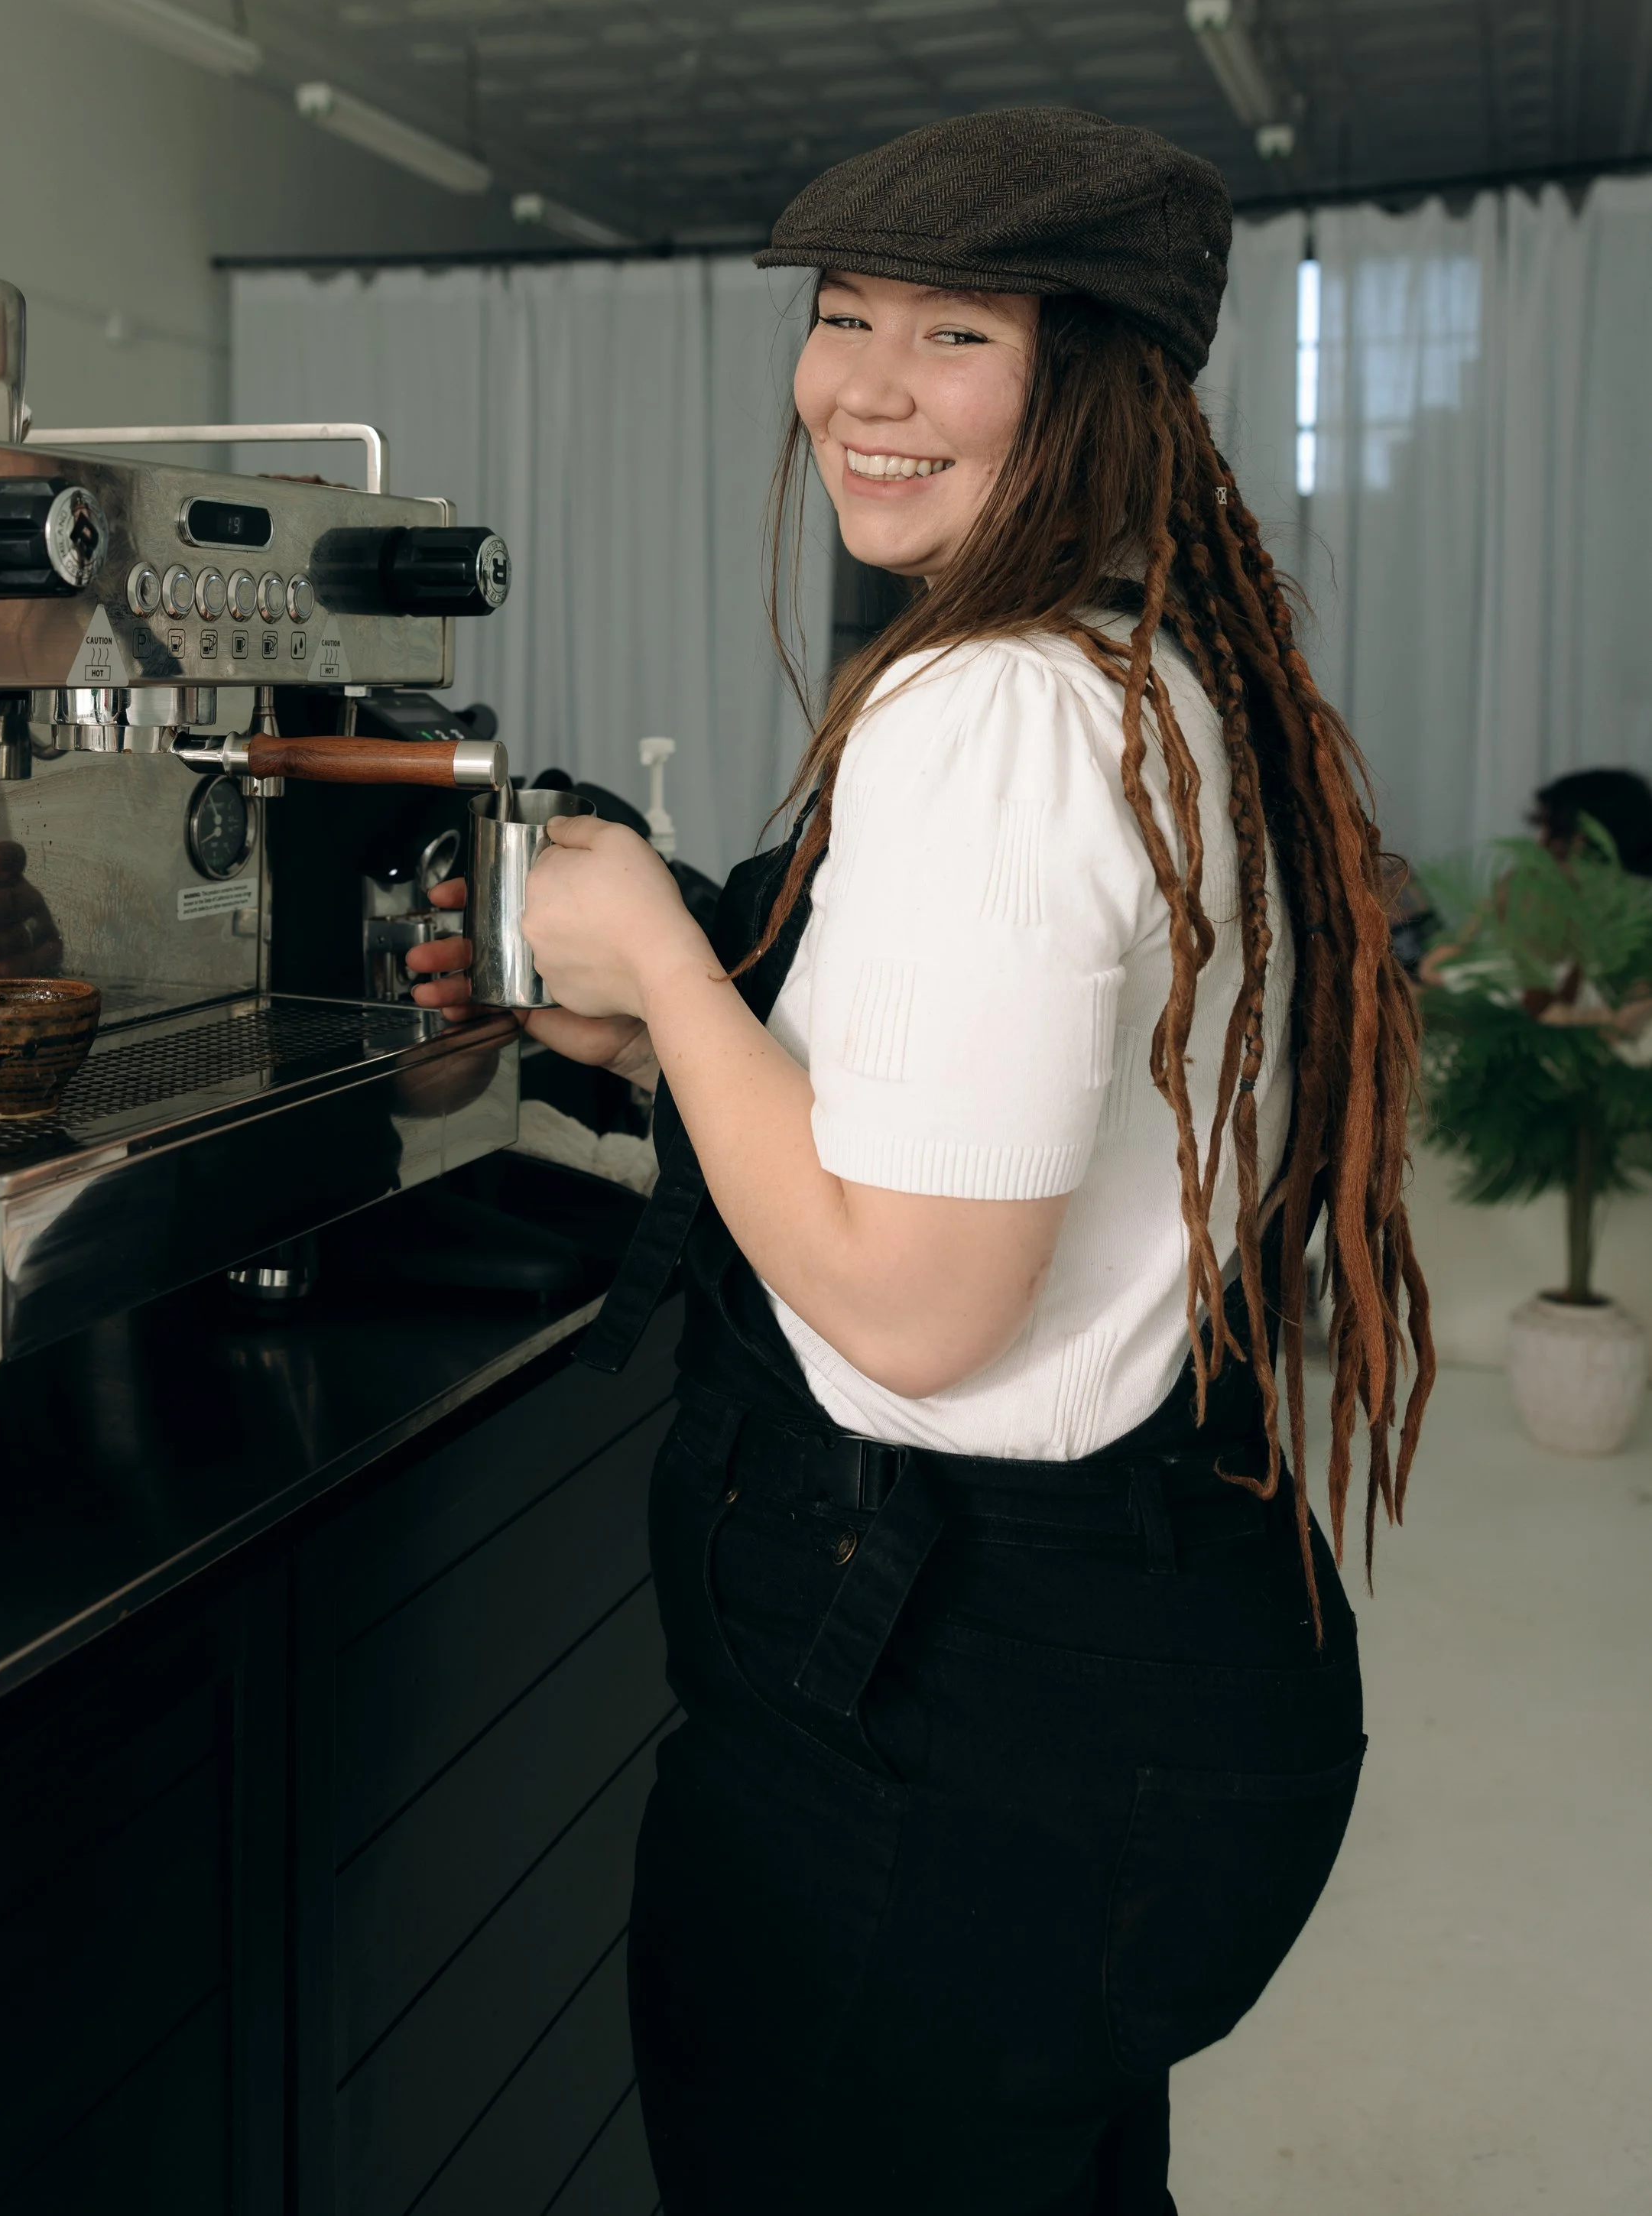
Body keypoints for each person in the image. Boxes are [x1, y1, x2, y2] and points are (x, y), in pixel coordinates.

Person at [407, 108, 1432, 2216]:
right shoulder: (1161, 665)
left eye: (951, 332)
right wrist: (675, 1036)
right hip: (1134, 1697)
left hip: (948, 1732)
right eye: (839, 313)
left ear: (1100, 378)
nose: (863, 385)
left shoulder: (988, 710)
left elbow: (913, 1306)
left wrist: (664, 975)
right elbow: (991, 1114)